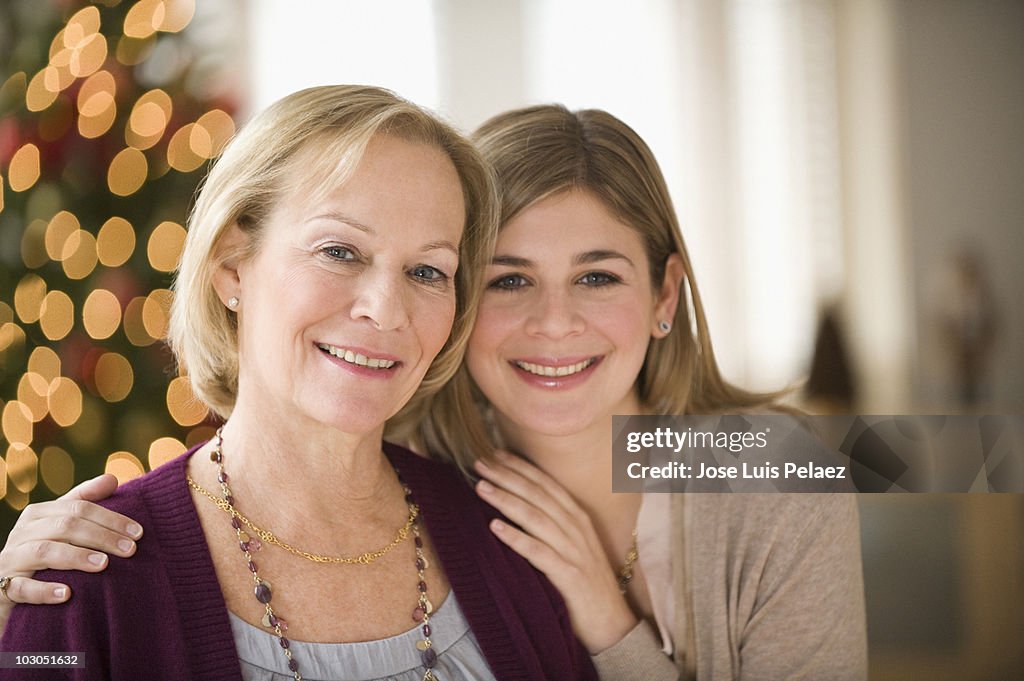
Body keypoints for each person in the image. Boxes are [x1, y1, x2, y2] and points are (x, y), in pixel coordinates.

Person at [0, 104, 867, 680]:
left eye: (598, 277)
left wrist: (609, 621)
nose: (554, 324)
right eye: (506, 280)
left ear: (666, 296)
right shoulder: (423, 443)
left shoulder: (766, 469)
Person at [0, 87, 597, 681]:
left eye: (427, 271)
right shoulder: (84, 573)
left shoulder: (510, 541)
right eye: (340, 251)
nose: (387, 310)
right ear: (233, 266)